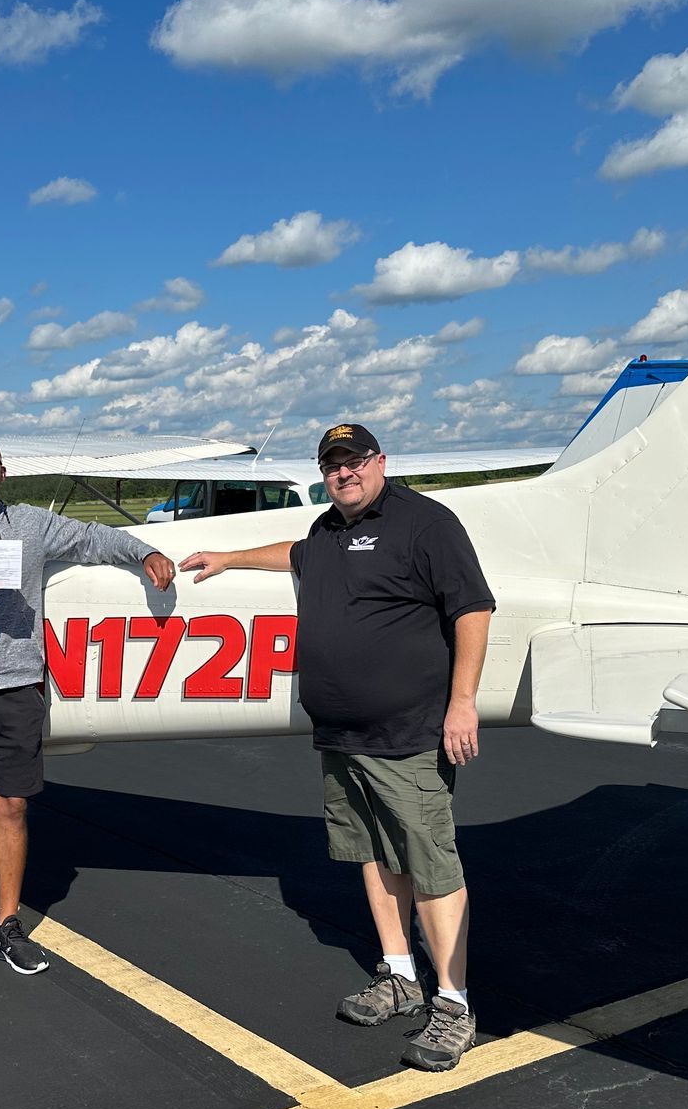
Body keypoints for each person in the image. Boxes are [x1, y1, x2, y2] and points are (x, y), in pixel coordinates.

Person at [178, 423, 493, 1071]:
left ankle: (454, 1006)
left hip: (409, 731)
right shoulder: (327, 531)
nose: (343, 473)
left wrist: (464, 701)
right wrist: (229, 559)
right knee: (374, 855)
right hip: (345, 733)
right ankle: (401, 976)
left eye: (353, 462)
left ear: (380, 462)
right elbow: (295, 553)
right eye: (332, 464)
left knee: (430, 862)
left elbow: (473, 609)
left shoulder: (426, 523)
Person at [0, 435, 177, 975]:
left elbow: (91, 539)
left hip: (18, 687)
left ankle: (7, 922)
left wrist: (145, 550)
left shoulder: (31, 525)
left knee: (12, 808)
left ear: (1, 472)